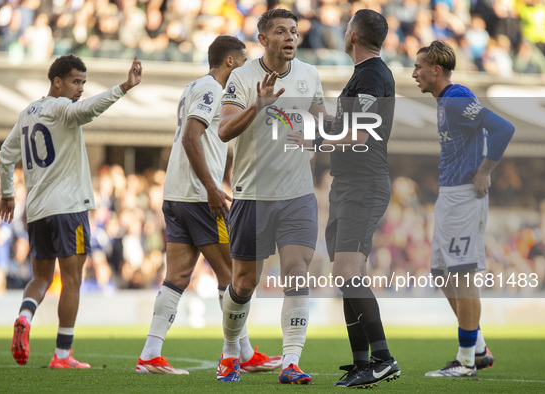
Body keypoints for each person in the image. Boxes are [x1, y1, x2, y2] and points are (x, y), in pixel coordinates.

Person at [135, 35, 281, 375]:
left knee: (178, 276)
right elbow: (190, 137)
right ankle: (240, 353)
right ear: (230, 61)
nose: (246, 67)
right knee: (234, 274)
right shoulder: (212, 89)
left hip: (177, 193)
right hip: (199, 197)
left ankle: (150, 353)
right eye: (243, 61)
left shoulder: (194, 87)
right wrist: (213, 187)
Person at [0, 54, 142, 368]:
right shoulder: (63, 107)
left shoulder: (27, 114)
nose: (79, 89)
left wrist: (7, 194)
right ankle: (62, 355)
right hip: (68, 209)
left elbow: (5, 155)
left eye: (83, 83)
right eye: (75, 82)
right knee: (72, 279)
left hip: (37, 211)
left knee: (41, 277)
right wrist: (124, 87)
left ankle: (24, 316)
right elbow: (89, 109)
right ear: (57, 82)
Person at [215, 8, 327, 384]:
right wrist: (257, 106)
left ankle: (291, 361)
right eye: (281, 31)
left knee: (297, 273)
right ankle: (231, 352)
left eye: (294, 31)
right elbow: (224, 131)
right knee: (245, 283)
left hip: (298, 195)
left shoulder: (310, 75)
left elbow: (321, 124)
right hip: (253, 195)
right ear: (263, 40)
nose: (290, 37)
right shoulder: (242, 78)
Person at [412, 40, 514, 377]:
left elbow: (503, 128)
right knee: (442, 274)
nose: (415, 74)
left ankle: (466, 360)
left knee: (461, 274)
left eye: (419, 67)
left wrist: (484, 170)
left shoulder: (456, 98)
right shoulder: (446, 102)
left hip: (463, 198)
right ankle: (479, 348)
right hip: (449, 195)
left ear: (436, 70)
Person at [321, 9, 400, 389]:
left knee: (347, 274)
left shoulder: (371, 75)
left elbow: (360, 135)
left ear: (352, 35)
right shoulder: (364, 75)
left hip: (363, 185)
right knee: (346, 274)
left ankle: (384, 359)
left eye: (345, 27)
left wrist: (316, 136)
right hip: (348, 184)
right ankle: (361, 362)